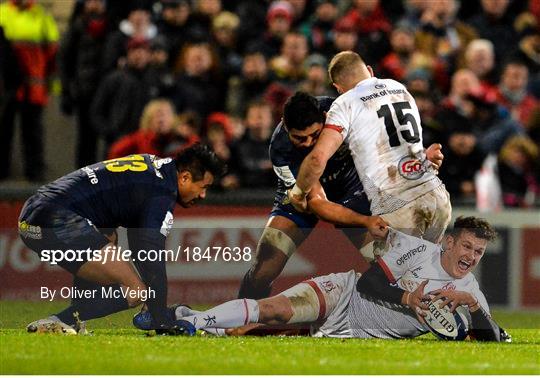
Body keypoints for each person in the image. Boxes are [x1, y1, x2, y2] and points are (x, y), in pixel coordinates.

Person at [168, 216, 511, 342]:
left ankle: (192, 317)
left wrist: (475, 309)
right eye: (467, 246)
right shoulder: (416, 250)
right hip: (344, 295)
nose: (471, 256)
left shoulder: (468, 290)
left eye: (479, 252)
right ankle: (193, 320)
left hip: (358, 335)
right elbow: (368, 283)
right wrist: (407, 298)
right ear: (448, 242)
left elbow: (493, 339)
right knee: (276, 312)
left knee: (252, 335)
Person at [238, 91, 445, 300]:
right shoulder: (280, 149)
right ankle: (241, 316)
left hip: (351, 189)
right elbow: (317, 203)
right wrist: (365, 220)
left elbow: (387, 143)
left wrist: (421, 157)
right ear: (284, 124)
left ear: (327, 117)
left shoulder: (346, 111)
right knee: (266, 260)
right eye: (299, 138)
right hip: (302, 196)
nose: (309, 143)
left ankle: (428, 312)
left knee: (392, 268)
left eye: (315, 135)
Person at [20, 144, 225, 334]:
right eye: (203, 187)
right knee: (135, 291)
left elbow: (140, 247)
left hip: (32, 215)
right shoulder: (162, 191)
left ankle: (74, 321)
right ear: (185, 178)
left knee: (108, 235)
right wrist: (161, 318)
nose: (203, 195)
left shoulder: (154, 167)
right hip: (56, 219)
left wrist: (156, 308)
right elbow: (150, 255)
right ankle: (60, 320)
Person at [289, 52, 451, 260]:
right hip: (436, 195)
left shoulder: (345, 102)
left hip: (398, 202)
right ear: (370, 71)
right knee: (426, 275)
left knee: (390, 282)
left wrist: (299, 193)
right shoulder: (398, 87)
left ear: (338, 87)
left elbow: (317, 159)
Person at [0, 0, 59, 181]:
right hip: (7, 87)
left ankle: (35, 178)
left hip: (34, 87)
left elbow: (53, 54)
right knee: (3, 132)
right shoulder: (3, 12)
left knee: (33, 133)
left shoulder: (42, 16)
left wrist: (53, 86)